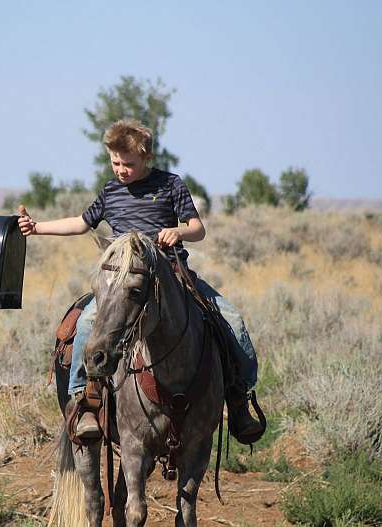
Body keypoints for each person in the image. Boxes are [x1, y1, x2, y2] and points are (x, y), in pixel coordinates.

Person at [18, 119, 263, 443]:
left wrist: (179, 231)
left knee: (230, 319)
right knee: (88, 323)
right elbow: (80, 223)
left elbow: (197, 228)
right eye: (115, 162)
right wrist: (37, 227)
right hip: (123, 282)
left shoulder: (171, 185)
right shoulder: (110, 191)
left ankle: (238, 396)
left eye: (128, 164)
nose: (121, 169)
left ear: (146, 158)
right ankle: (85, 401)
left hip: (173, 276)